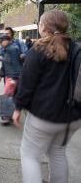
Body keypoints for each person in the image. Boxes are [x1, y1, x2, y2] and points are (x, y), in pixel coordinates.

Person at [12, 10, 81, 183]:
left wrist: (18, 107)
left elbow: (26, 84)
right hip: (74, 118)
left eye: (39, 24)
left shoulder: (38, 49)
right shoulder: (77, 48)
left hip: (45, 117)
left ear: (43, 26)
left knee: (30, 155)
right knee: (58, 152)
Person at [0, 35, 23, 123]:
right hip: (13, 76)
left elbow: (11, 64)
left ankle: (6, 117)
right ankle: (11, 115)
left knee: (7, 96)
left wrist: (13, 78)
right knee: (11, 96)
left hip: (12, 77)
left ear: (7, 41)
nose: (0, 44)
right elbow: (5, 64)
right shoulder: (12, 47)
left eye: (1, 42)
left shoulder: (10, 49)